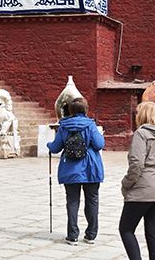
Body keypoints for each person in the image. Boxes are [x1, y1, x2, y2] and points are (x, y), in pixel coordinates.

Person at [119, 102, 155, 260]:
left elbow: (136, 163)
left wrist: (126, 184)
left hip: (141, 190)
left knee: (126, 229)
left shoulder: (141, 134)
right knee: (153, 232)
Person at [47, 97, 105, 246]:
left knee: (72, 202)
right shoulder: (90, 125)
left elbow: (55, 148)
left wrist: (48, 144)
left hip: (71, 169)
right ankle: (91, 234)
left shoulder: (64, 126)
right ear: (86, 109)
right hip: (91, 169)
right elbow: (99, 144)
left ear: (71, 110)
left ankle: (72, 235)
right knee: (92, 200)